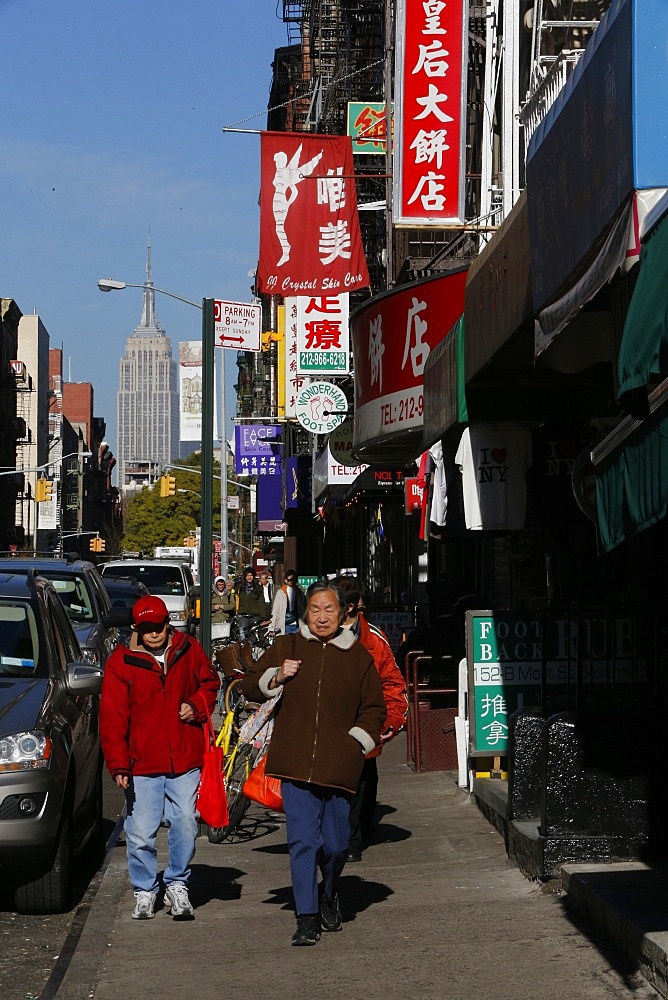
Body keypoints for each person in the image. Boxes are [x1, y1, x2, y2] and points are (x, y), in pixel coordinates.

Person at [243, 581, 386, 946]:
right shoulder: (287, 646)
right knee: (303, 841)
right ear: (305, 612)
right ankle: (306, 916)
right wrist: (276, 676)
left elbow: (374, 708)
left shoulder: (357, 656)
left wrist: (358, 743)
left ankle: (329, 892)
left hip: (339, 767)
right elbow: (247, 685)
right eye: (315, 610)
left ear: (343, 614)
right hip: (294, 763)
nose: (322, 617)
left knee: (337, 846)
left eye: (330, 610)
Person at [100, 595, 219, 921]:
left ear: (169, 624)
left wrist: (195, 704)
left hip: (185, 757)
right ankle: (144, 890)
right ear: (137, 628)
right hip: (141, 763)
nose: (154, 634)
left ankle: (177, 883)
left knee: (185, 822)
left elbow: (210, 683)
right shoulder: (120, 663)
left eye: (160, 627)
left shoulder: (189, 649)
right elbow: (112, 717)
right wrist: (118, 764)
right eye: (147, 628)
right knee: (140, 831)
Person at [335, 576, 408, 862]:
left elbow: (393, 684)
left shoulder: (374, 640)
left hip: (363, 725)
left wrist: (391, 720)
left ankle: (352, 840)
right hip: (328, 725)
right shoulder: (315, 636)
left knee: (361, 781)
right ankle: (346, 834)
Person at [270, 569, 305, 635]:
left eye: (294, 580)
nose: (292, 582)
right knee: (285, 644)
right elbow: (275, 611)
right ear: (285, 580)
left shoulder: (300, 593)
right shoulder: (280, 593)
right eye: (290, 580)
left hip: (297, 625)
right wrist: (271, 628)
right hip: (284, 624)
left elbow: (304, 610)